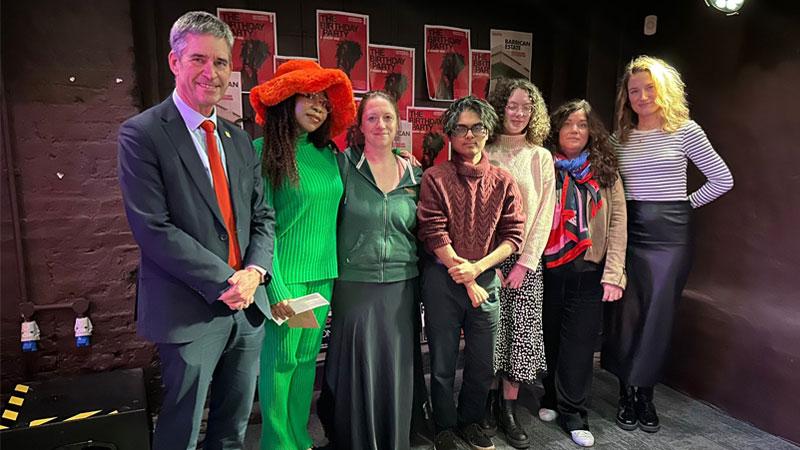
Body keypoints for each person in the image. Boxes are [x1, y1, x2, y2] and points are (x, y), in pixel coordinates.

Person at [117, 11, 274, 450]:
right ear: (174, 61)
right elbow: (153, 227)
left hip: (247, 308)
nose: (212, 72)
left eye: (220, 62)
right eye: (199, 59)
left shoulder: (238, 140)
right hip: (188, 311)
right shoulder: (142, 134)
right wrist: (227, 281)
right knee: (181, 431)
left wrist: (254, 273)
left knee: (233, 429)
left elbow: (263, 217)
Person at [602, 55, 733, 434]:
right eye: (634, 91)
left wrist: (683, 205)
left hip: (670, 237)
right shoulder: (619, 138)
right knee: (626, 313)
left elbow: (722, 179)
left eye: (650, 88)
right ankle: (626, 391)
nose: (642, 97)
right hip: (628, 231)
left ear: (664, 90)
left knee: (657, 314)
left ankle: (645, 394)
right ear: (626, 97)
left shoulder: (686, 130)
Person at [248, 60, 356, 450]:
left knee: (307, 360)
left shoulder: (327, 154)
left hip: (322, 275)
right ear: (286, 99)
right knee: (281, 361)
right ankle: (277, 443)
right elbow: (259, 226)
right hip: (286, 278)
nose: (318, 108)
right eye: (309, 98)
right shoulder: (262, 151)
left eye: (324, 102)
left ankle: (298, 436)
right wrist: (274, 287)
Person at [418, 96, 526, 450]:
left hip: (486, 279)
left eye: (477, 127)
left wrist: (477, 269)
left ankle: (471, 421)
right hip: (442, 281)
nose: (469, 135)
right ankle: (445, 427)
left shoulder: (503, 181)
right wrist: (463, 275)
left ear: (488, 131)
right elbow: (433, 231)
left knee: (482, 364)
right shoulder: (435, 177)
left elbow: (514, 236)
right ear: (450, 134)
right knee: (443, 362)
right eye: (461, 128)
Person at [322, 90, 423, 450]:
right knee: (355, 368)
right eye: (372, 118)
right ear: (360, 125)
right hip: (355, 285)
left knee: (395, 368)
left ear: (398, 124)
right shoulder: (342, 166)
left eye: (388, 117)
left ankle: (394, 439)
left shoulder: (414, 173)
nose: (381, 124)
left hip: (402, 286)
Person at [538, 100, 627, 447]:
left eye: (582, 124)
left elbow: (618, 223)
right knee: (549, 339)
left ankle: (575, 413)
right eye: (568, 124)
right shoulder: (544, 164)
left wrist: (614, 273)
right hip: (547, 268)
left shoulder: (605, 171)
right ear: (556, 130)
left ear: (592, 132)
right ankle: (550, 397)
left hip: (589, 269)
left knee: (578, 344)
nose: (575, 130)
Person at [481, 78, 556, 449]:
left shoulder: (540, 156)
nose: (519, 113)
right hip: (487, 259)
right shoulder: (484, 150)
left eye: (527, 107)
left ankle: (508, 408)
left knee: (520, 337)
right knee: (490, 334)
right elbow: (476, 210)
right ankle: (487, 402)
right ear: (500, 107)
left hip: (526, 261)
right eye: (512, 105)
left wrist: (525, 263)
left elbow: (544, 214)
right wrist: (489, 261)